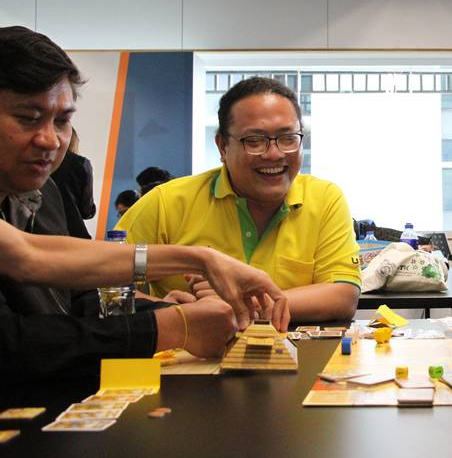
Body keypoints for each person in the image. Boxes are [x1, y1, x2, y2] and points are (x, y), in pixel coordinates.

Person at [0, 25, 287, 383]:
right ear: (222, 146)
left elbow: (81, 293)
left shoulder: (47, 193)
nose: (51, 140)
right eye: (28, 119)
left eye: (62, 121)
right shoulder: (163, 200)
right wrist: (168, 326)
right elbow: (13, 342)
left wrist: (161, 307)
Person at [118, 76, 362, 322]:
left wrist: (238, 301)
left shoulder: (325, 198)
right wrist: (163, 308)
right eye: (254, 141)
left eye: (287, 138)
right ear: (222, 147)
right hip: (186, 346)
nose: (274, 154)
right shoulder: (166, 203)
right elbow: (104, 284)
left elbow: (342, 295)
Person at [50, 129, 95, 239]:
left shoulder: (38, 161)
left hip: (37, 232)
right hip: (72, 232)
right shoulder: (81, 163)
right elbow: (87, 211)